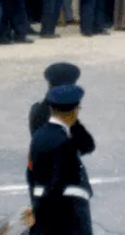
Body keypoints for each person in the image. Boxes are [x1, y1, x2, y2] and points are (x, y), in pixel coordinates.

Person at [28, 83, 93, 234]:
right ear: (73, 111)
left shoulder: (40, 136)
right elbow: (64, 186)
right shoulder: (63, 142)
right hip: (67, 216)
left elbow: (87, 145)